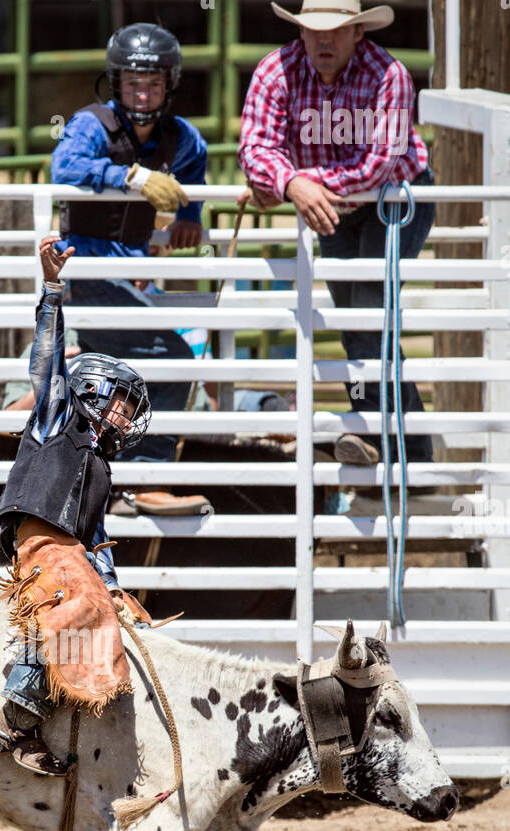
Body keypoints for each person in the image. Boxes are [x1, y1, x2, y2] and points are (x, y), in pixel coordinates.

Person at [0, 234, 152, 777]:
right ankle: (16, 718)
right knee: (75, 599)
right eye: (120, 405)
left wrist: (115, 585)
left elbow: (97, 539)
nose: (125, 417)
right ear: (94, 393)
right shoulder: (58, 417)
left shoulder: (101, 466)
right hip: (40, 536)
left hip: (70, 547)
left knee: (106, 602)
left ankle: (63, 710)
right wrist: (53, 291)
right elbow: (46, 362)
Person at [238, 0, 435, 465]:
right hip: (335, 204)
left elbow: (380, 163)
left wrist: (296, 184)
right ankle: (402, 450)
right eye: (314, 30)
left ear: (358, 33)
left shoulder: (389, 75)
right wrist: (289, 182)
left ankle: (382, 439)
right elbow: (255, 146)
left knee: (366, 309)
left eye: (335, 30)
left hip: (393, 197)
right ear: (301, 32)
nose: (323, 40)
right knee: (357, 320)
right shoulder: (275, 70)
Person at [51, 22, 211, 496]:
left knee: (124, 373)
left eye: (154, 83)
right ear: (116, 83)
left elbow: (196, 167)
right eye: (133, 83)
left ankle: (114, 477)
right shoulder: (91, 124)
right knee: (175, 359)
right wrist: (133, 177)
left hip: (127, 277)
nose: (143, 94)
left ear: (169, 85)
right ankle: (142, 474)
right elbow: (66, 165)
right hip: (88, 272)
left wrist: (191, 215)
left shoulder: (179, 137)